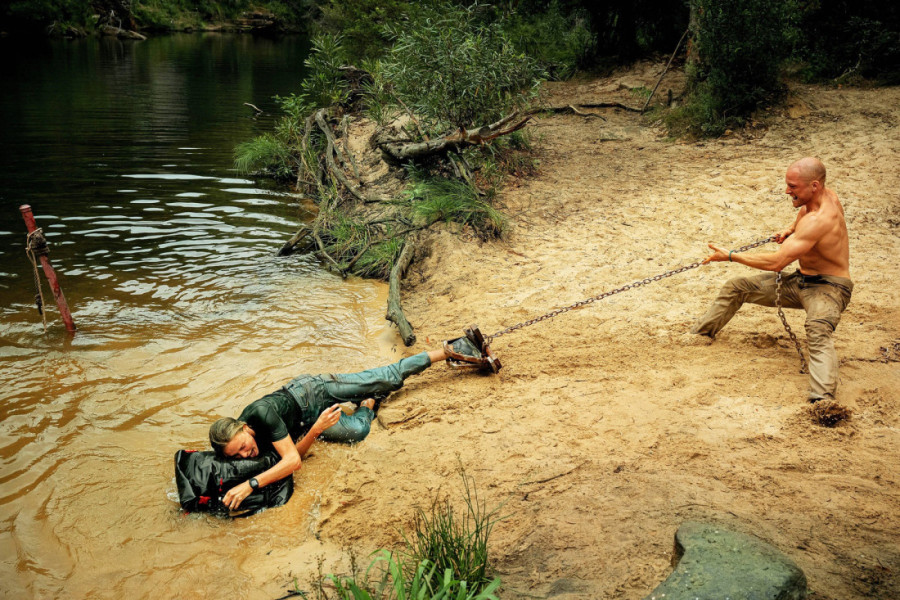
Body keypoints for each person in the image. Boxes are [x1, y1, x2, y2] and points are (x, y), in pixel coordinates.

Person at [209, 340, 481, 511]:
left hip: (312, 391)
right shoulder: (248, 439)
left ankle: (451, 349)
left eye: (243, 447)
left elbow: (292, 462)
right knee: (359, 431)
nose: (246, 455)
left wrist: (250, 484)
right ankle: (369, 403)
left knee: (386, 377)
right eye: (237, 456)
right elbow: (296, 456)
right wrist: (316, 429)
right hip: (309, 423)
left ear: (244, 427)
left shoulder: (262, 413)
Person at [690, 157, 853, 403]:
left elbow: (777, 263)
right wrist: (790, 229)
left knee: (817, 328)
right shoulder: (824, 197)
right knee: (736, 288)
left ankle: (823, 400)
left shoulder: (819, 220)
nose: (787, 190)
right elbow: (803, 214)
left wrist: (731, 256)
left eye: (793, 186)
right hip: (801, 281)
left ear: (814, 186)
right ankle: (700, 335)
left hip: (830, 288)